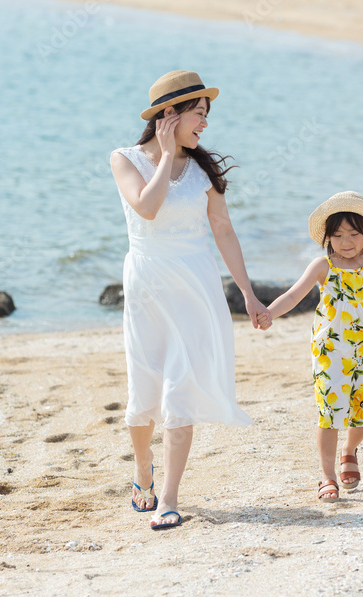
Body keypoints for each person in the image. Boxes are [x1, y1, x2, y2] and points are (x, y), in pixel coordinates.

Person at [110, 70, 269, 529]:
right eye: (198, 114)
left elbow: (223, 229)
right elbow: (146, 207)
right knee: (144, 387)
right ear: (168, 115)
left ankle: (170, 497)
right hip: (147, 284)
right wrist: (165, 156)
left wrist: (247, 292)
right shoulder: (124, 159)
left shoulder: (204, 171)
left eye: (205, 115)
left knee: (180, 387)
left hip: (195, 286)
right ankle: (143, 467)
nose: (204, 123)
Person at [259, 192, 363, 502]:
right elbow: (293, 296)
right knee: (329, 412)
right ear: (327, 238)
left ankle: (349, 449)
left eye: (353, 234)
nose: (346, 241)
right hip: (331, 349)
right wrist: (269, 313)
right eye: (338, 235)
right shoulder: (323, 265)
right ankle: (327, 476)